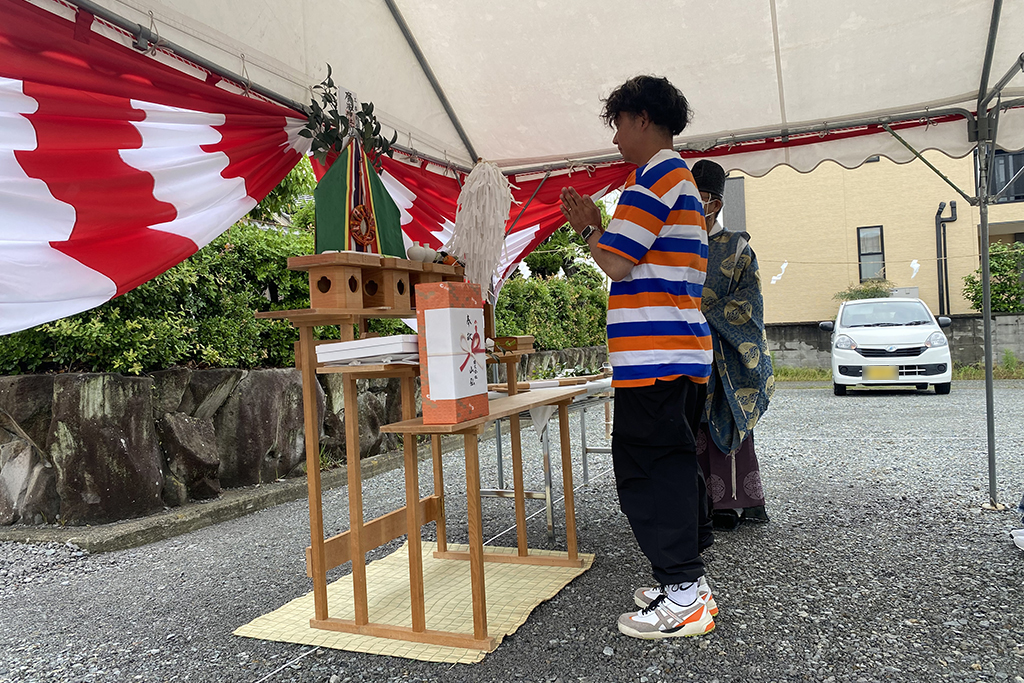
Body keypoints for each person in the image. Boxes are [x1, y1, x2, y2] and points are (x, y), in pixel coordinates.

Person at [560, 75, 716, 639]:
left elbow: (618, 262)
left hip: (656, 355)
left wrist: (585, 228)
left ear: (642, 118)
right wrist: (598, 228)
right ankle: (685, 580)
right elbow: (634, 256)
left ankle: (683, 591)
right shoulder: (679, 179)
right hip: (676, 351)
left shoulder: (654, 178)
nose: (616, 138)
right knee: (669, 460)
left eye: (619, 124)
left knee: (648, 466)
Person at [690, 159, 775, 531]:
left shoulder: (738, 248)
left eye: (698, 199)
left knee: (729, 426)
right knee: (693, 430)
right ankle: (699, 502)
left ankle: (733, 503)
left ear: (716, 204)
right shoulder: (675, 246)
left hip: (727, 354)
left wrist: (703, 314)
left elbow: (750, 302)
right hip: (688, 353)